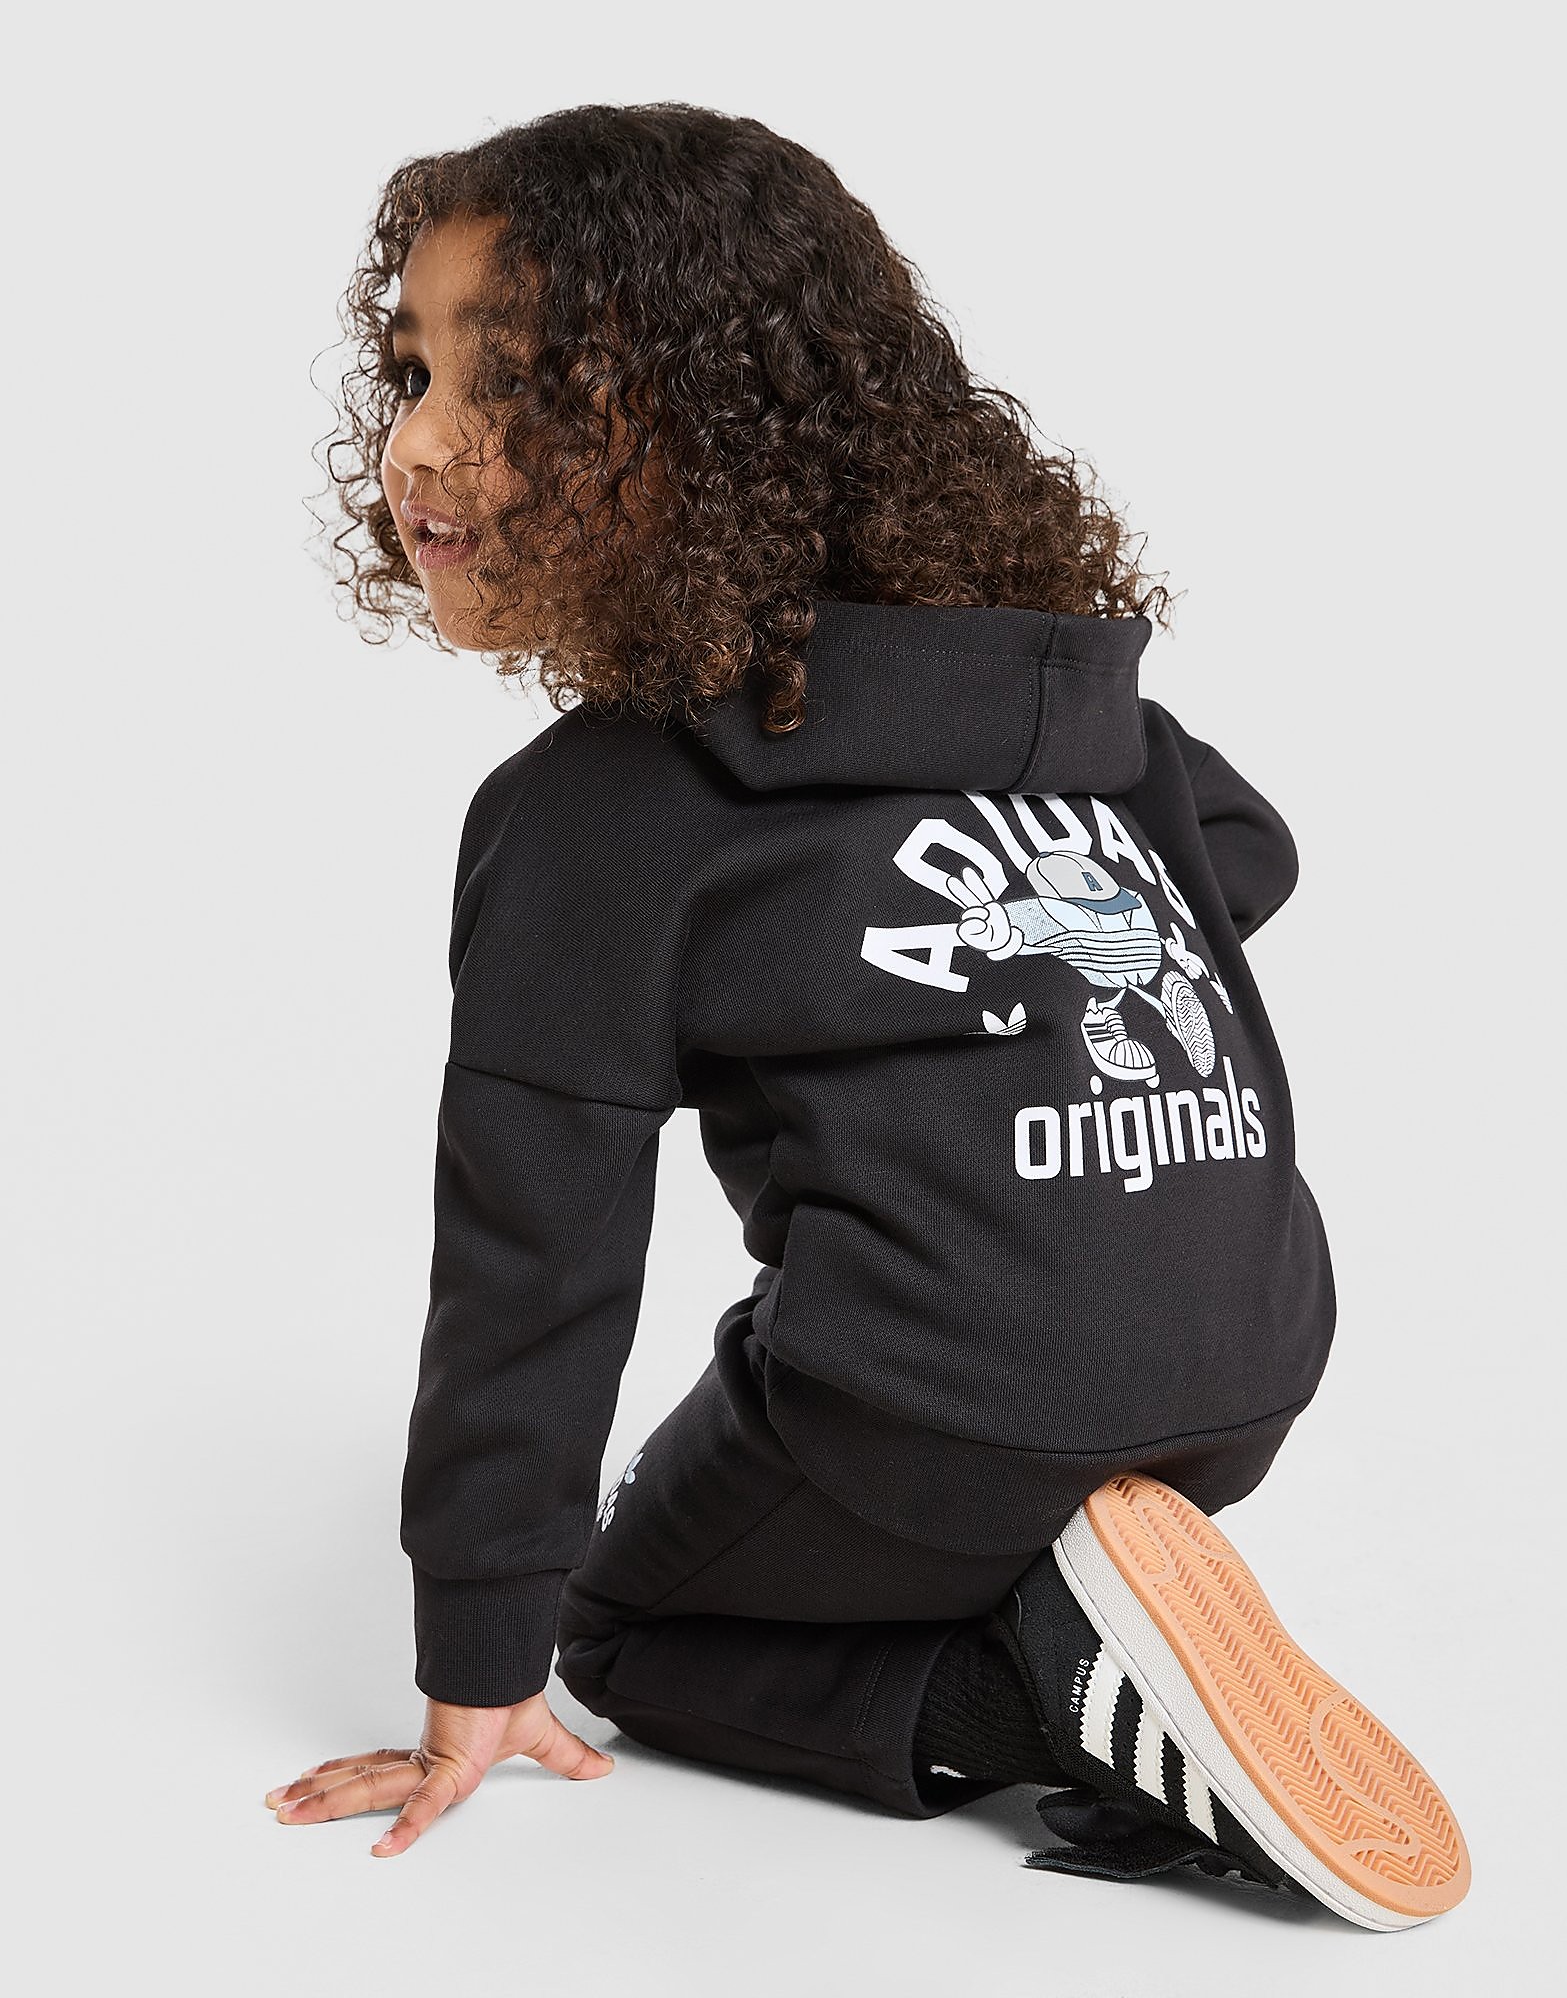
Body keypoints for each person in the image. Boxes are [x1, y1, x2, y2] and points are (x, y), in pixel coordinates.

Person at [264, 104, 1469, 1929]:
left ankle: (1042, 1687)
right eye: (413, 369)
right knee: (938, 1451)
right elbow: (1247, 851)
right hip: (1255, 1362)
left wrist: (482, 1661)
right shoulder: (1067, 697)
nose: (418, 444)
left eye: (506, 386)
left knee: (624, 1632)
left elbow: (535, 1263)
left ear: (698, 431)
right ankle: (1110, 1586)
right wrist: (1017, 963)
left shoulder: (601, 813)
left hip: (934, 1401)